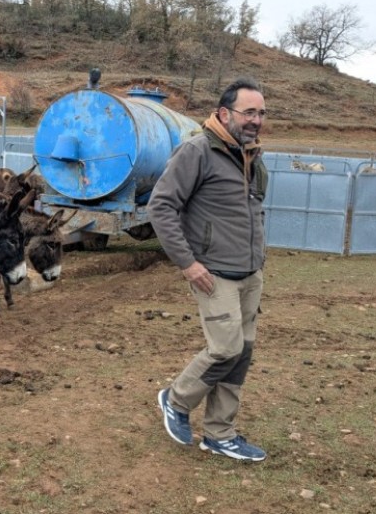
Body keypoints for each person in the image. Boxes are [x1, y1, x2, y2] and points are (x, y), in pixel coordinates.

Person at [147, 77, 269, 462]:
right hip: (213, 273)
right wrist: (189, 263)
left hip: (250, 273)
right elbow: (161, 207)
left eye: (261, 113)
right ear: (223, 113)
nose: (256, 120)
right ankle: (176, 398)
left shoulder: (250, 154)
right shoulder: (197, 151)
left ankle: (220, 433)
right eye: (248, 112)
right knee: (226, 348)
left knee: (242, 353)